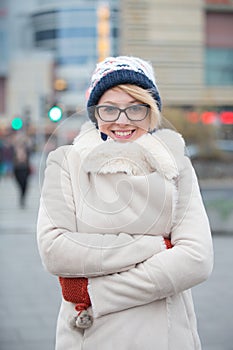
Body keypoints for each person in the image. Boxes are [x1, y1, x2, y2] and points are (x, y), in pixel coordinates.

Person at [37, 56, 213, 350]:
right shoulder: (66, 164)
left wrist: (95, 292)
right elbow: (55, 250)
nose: (122, 120)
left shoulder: (177, 167)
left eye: (135, 108)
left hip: (164, 334)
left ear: (151, 112)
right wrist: (158, 246)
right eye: (109, 108)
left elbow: (196, 259)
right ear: (95, 113)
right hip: (89, 336)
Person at [12, 135, 32, 207]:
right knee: (20, 185)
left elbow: (30, 145)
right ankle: (21, 198)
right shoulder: (14, 150)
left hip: (25, 169)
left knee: (25, 185)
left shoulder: (26, 150)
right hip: (17, 169)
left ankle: (22, 199)